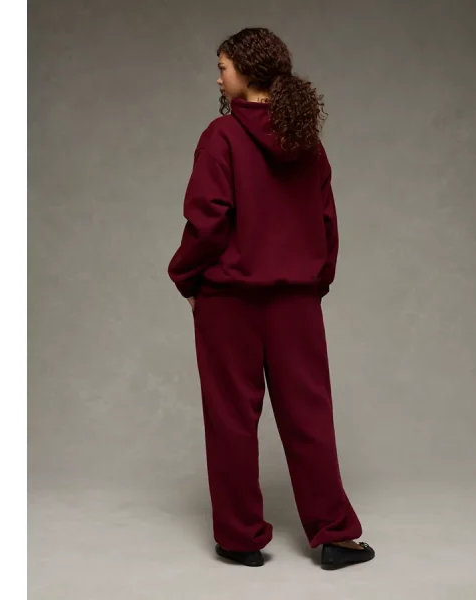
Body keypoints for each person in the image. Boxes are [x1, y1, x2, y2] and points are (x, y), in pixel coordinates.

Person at [168, 27, 375, 570]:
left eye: (223, 68)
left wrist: (185, 277)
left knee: (231, 418)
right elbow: (327, 223)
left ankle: (240, 538)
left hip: (228, 301)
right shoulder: (307, 142)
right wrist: (312, 284)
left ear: (245, 71)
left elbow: (207, 221)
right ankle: (335, 535)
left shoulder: (221, 136)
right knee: (309, 416)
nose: (218, 78)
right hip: (296, 302)